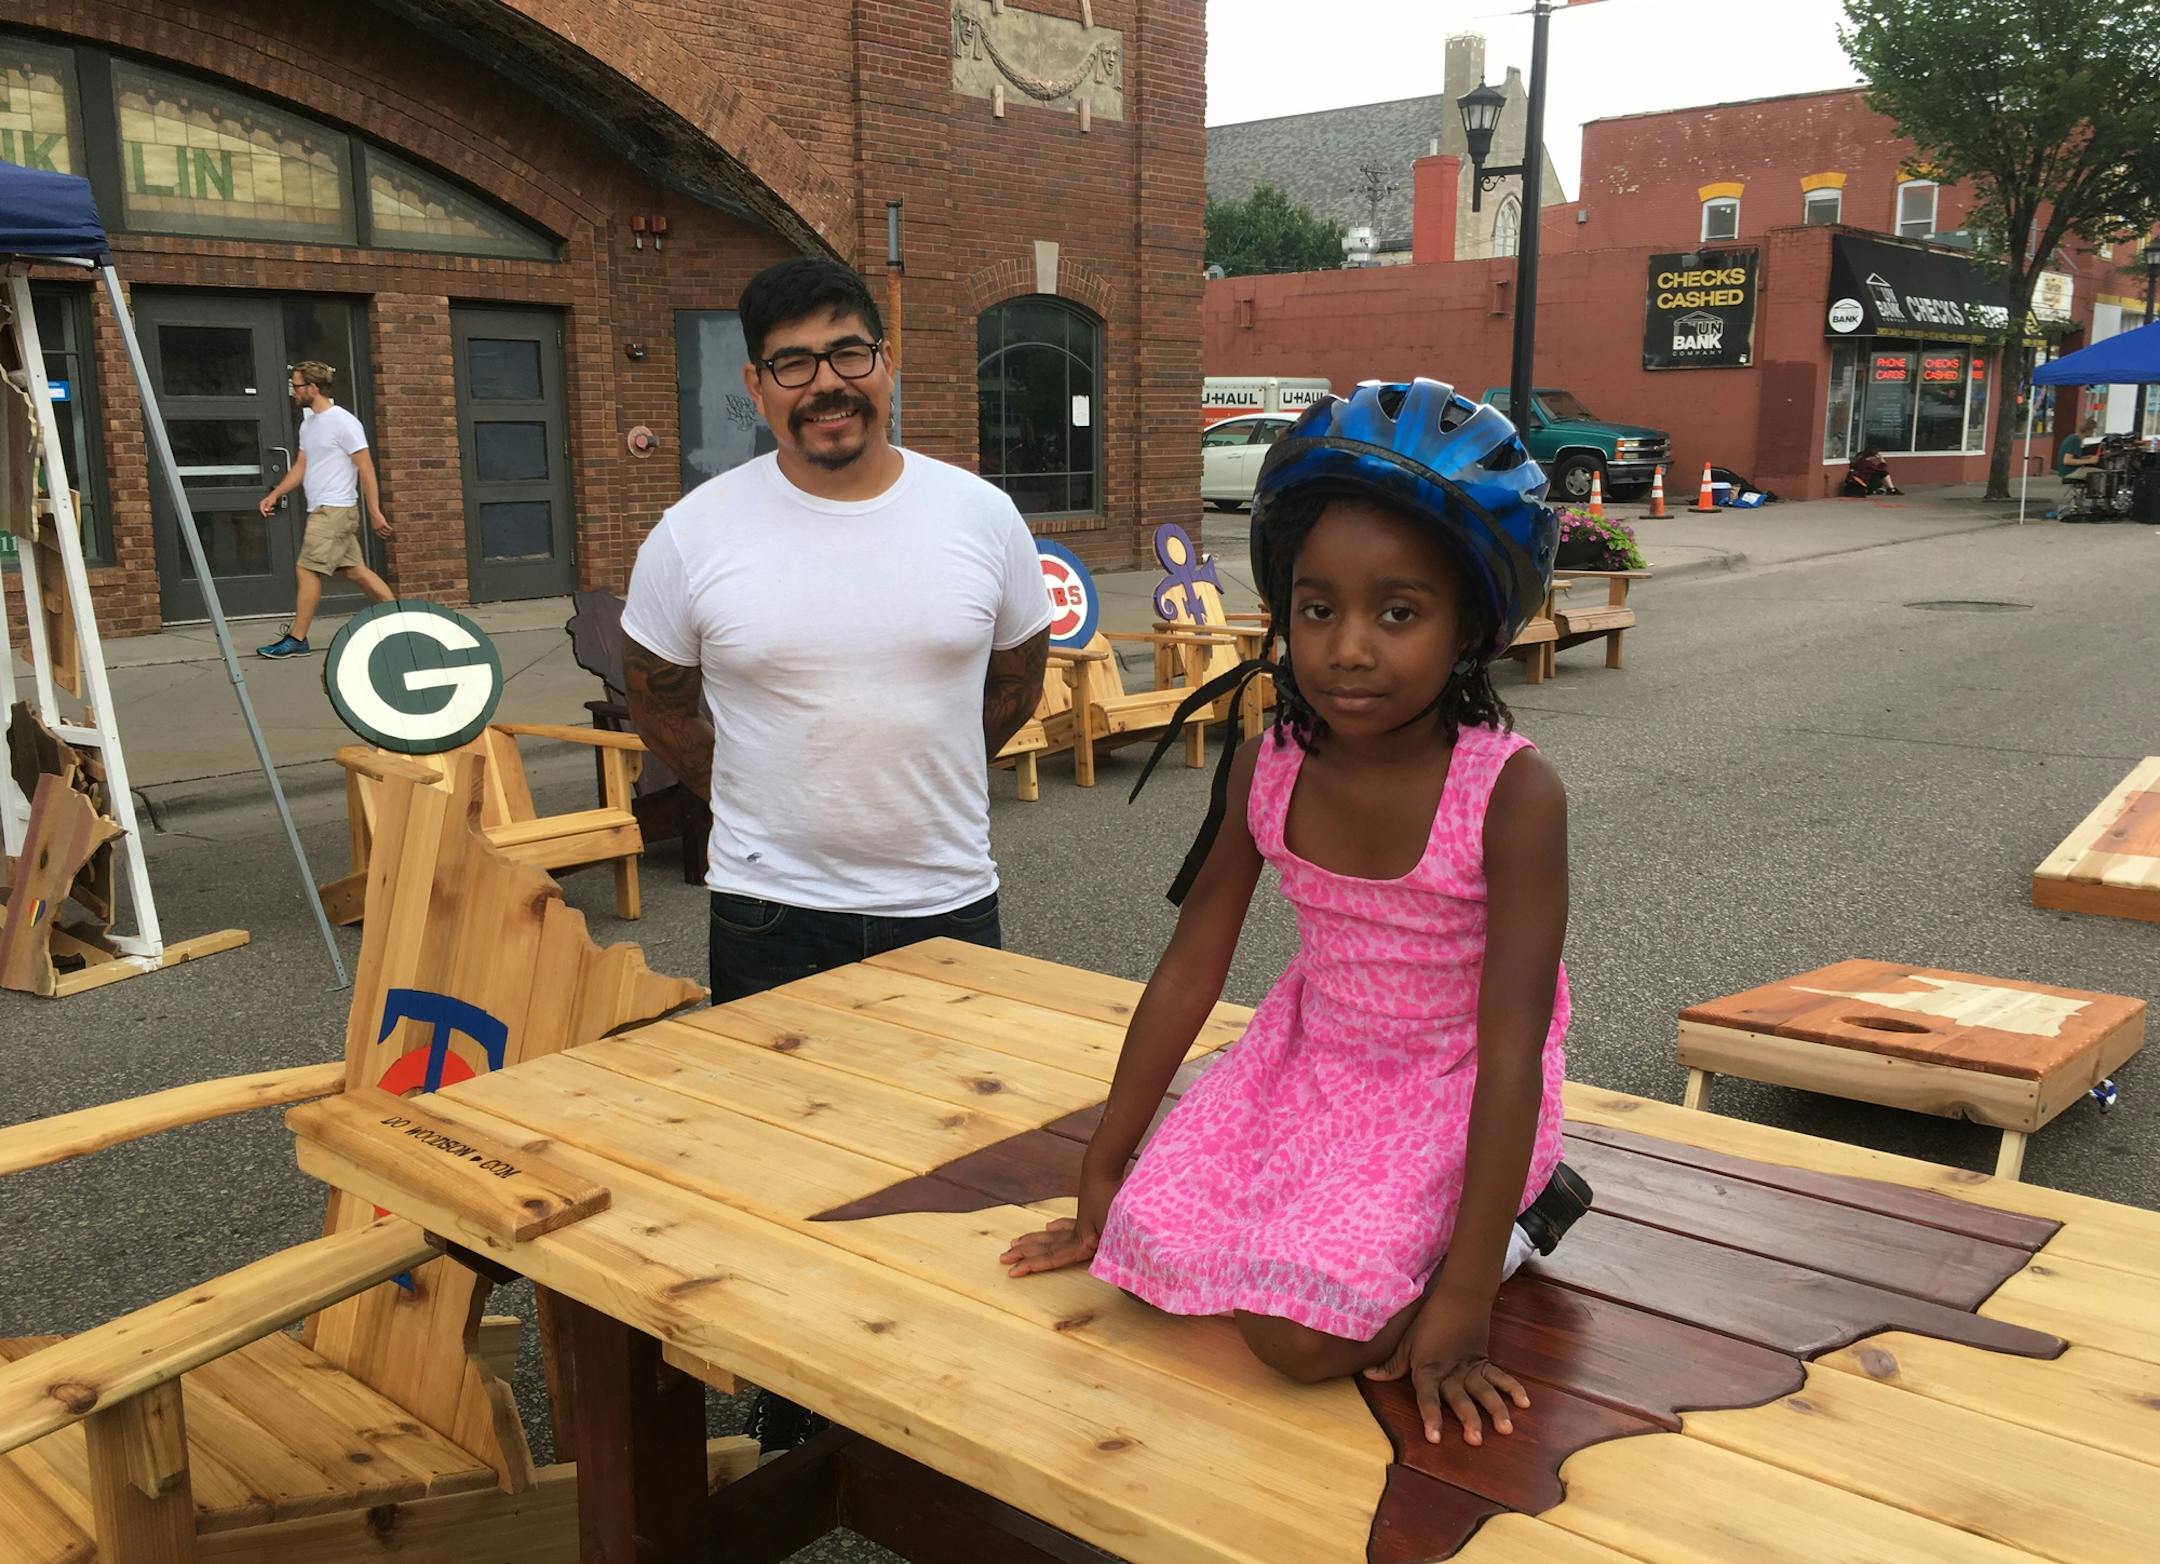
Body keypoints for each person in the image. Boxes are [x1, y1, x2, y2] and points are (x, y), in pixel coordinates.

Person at [1001, 380, 1592, 1449]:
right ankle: (1357, 1230)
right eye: (1319, 608)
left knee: (1297, 1339)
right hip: (1310, 1062)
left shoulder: (1512, 794)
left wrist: (1464, 1299)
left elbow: (1513, 1050)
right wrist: (1106, 1160)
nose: (1348, 647)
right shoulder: (1273, 762)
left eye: (1397, 612)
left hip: (1453, 1085)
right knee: (1144, 1249)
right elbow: (1192, 967)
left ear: (1470, 627)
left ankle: (1520, 1219)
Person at [621, 256, 1050, 1448]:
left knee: (964, 1161)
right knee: (788, 1164)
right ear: (756, 386)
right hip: (771, 908)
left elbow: (1019, 672)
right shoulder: (697, 531)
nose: (828, 384)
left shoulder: (978, 515)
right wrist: (741, 788)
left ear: (885, 363)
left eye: (848, 353)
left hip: (947, 897)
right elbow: (656, 693)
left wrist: (945, 768)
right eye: (795, 363)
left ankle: (948, 1382)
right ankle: (798, 1396)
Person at [254, 361, 394, 657]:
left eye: (296, 386)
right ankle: (401, 621)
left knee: (306, 570)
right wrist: (276, 493)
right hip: (323, 509)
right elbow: (302, 466)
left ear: (313, 388)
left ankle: (297, 638)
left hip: (335, 509)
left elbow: (365, 467)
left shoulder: (344, 422)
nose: (293, 392)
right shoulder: (309, 424)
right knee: (355, 571)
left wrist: (374, 510)